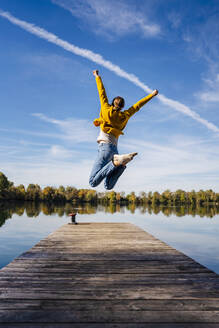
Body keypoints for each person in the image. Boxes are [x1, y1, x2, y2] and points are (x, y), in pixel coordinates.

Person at [89, 70, 158, 190]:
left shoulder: (106, 109)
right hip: (114, 149)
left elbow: (102, 91)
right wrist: (152, 95)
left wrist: (97, 76)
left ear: (113, 103)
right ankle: (120, 164)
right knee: (108, 186)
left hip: (105, 149)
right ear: (122, 107)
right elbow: (137, 106)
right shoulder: (125, 115)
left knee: (92, 182)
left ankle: (117, 163)